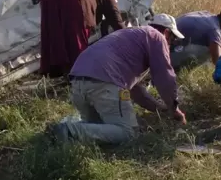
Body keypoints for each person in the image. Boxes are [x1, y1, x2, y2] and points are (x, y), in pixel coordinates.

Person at [48, 14, 187, 145]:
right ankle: (70, 130)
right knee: (129, 132)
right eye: (172, 40)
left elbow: (135, 91)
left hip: (78, 82)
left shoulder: (132, 37)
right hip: (105, 83)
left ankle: (61, 131)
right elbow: (165, 76)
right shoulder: (157, 37)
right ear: (167, 32)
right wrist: (174, 108)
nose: (170, 44)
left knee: (99, 130)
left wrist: (160, 109)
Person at [40, 0, 125, 78]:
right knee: (76, 33)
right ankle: (80, 73)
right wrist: (127, 39)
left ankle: (57, 71)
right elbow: (116, 19)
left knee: (54, 29)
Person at [170, 7, 221, 71]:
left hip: (166, 48)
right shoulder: (214, 30)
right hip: (169, 56)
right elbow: (218, 62)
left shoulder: (207, 15)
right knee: (211, 50)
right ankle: (179, 71)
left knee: (219, 43)